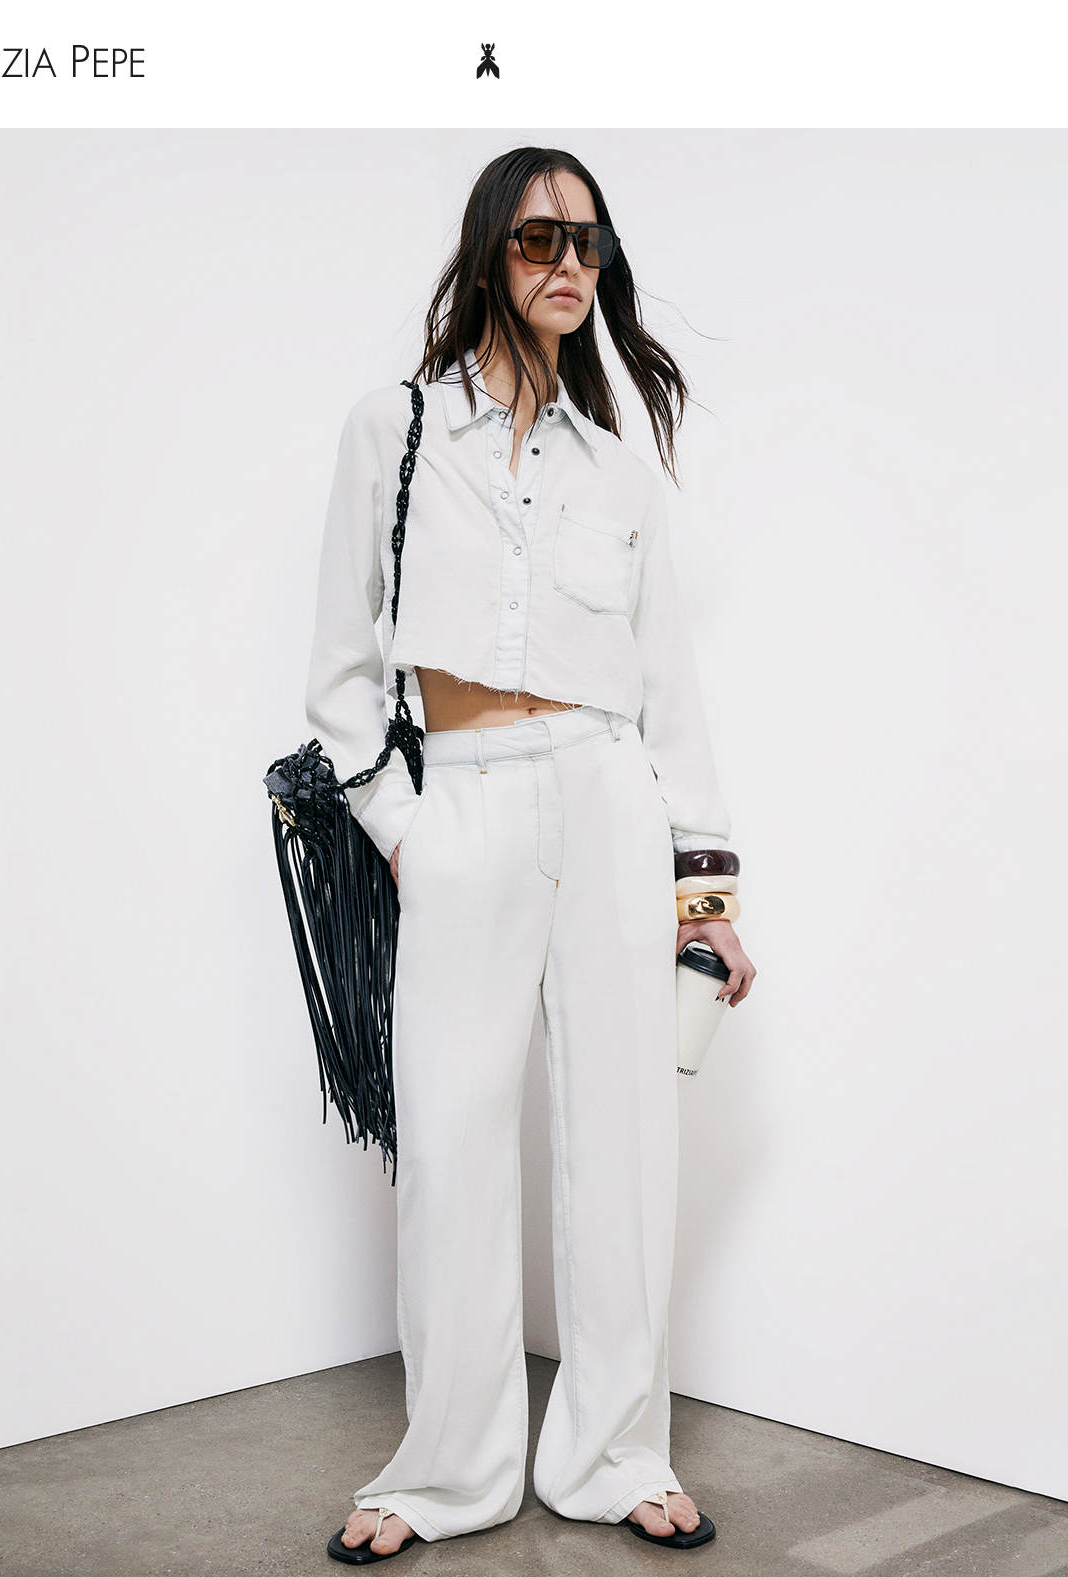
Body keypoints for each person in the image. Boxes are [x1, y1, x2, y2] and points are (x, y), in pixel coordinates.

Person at [304, 145, 756, 1563]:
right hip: (465, 804)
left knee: (627, 1141)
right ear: (488, 247)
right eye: (540, 237)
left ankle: (616, 1451)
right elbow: (340, 676)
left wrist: (705, 897)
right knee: (449, 1142)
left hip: (610, 800)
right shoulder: (394, 432)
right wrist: (407, 831)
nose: (571, 264)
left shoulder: (620, 472)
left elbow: (672, 696)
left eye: (590, 241)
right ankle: (448, 1470)